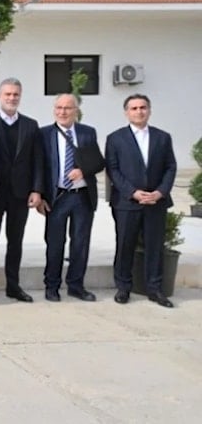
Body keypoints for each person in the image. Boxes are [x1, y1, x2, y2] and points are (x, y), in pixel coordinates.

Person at [105, 94, 177, 308]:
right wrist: (132, 192)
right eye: (134, 108)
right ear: (126, 112)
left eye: (143, 107)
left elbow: (170, 167)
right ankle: (123, 287)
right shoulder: (115, 138)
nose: (139, 111)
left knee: (154, 246)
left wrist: (160, 192)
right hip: (127, 202)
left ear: (149, 110)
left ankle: (154, 289)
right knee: (125, 245)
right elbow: (113, 170)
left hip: (156, 202)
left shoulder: (162, 138)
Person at [0, 78, 44, 303]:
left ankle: (13, 285)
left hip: (20, 194)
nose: (11, 98)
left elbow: (37, 161)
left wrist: (37, 190)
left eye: (16, 94)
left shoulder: (30, 125)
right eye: (7, 94)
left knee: (15, 241)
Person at [38, 93, 104, 302]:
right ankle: (52, 286)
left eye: (68, 108)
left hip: (82, 197)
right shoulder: (44, 134)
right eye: (59, 108)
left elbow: (99, 162)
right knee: (55, 243)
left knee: (80, 243)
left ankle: (76, 285)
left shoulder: (87, 132)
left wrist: (83, 170)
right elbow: (38, 167)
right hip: (57, 197)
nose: (63, 112)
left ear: (76, 111)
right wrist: (39, 195)